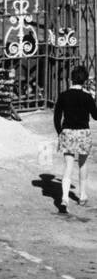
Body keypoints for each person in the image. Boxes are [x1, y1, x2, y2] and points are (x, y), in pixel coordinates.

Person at [54, 66, 96, 213]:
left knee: (68, 166)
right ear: (84, 81)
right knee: (83, 165)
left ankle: (64, 198)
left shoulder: (63, 95)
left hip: (68, 132)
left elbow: (57, 117)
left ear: (71, 78)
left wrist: (61, 132)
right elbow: (96, 116)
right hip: (83, 133)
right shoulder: (87, 96)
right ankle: (82, 195)